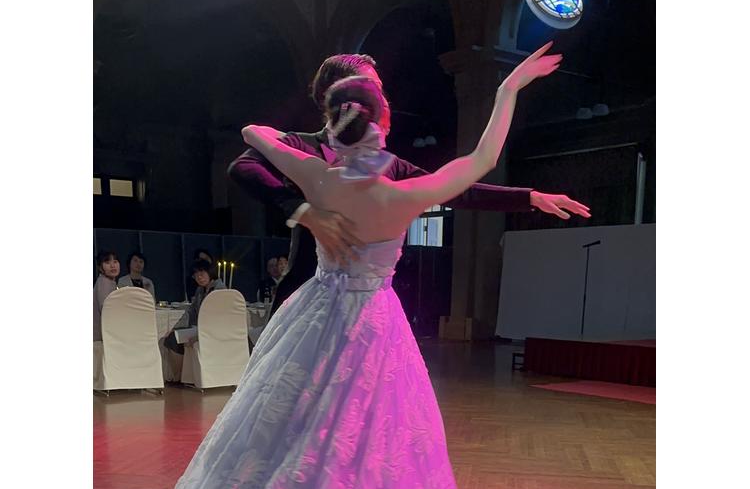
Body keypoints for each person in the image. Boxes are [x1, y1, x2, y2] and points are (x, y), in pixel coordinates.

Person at [104, 43, 562, 489]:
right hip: (370, 324)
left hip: (315, 315)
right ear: (375, 118)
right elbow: (476, 164)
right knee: (346, 445)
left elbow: (252, 134)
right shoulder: (395, 187)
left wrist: (523, 194)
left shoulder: (319, 171)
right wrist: (509, 89)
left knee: (304, 441)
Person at [228, 52, 589, 316]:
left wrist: (528, 197)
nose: (381, 97)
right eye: (372, 88)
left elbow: (461, 193)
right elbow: (243, 167)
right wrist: (304, 212)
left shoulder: (354, 169)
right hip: (304, 292)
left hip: (363, 307)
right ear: (337, 96)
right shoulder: (304, 146)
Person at [163, 258, 226, 369]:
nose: (199, 277)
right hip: (199, 328)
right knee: (171, 338)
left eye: (201, 273)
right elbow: (191, 312)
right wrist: (175, 328)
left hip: (213, 331)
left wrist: (198, 336)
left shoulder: (219, 290)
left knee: (175, 340)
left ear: (209, 272)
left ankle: (182, 374)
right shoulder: (200, 290)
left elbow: (217, 320)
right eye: (196, 275)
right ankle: (181, 374)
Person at [93, 250, 120, 341]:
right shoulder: (104, 282)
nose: (112, 266)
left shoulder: (109, 281)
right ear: (100, 268)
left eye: (115, 262)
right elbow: (107, 309)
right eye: (107, 262)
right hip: (100, 338)